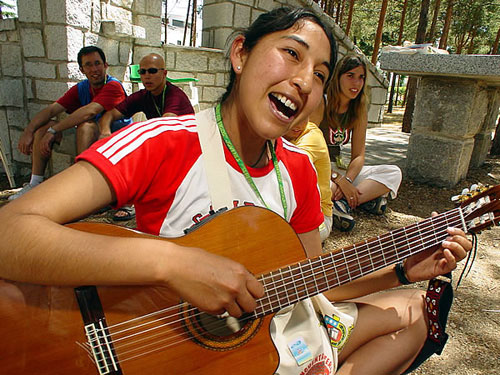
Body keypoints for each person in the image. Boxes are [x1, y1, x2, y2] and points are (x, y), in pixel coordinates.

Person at [0, 7, 471, 374]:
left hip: (264, 345)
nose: (306, 80)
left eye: (322, 74)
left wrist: (400, 272)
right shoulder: (164, 141)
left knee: (415, 307)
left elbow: (307, 281)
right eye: (292, 53)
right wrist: (172, 263)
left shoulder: (301, 172)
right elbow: (10, 232)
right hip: (154, 348)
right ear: (240, 54)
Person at [9, 46, 131, 201]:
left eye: (97, 63)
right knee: (43, 129)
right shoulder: (82, 88)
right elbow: (52, 110)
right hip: (89, 142)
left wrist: (54, 130)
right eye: (88, 65)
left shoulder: (113, 86)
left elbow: (90, 111)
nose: (94, 69)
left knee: (86, 125)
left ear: (105, 65)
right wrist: (29, 131)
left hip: (113, 141)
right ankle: (35, 183)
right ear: (82, 70)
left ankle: (84, 188)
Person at [98, 52, 194, 221]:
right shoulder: (143, 96)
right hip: (166, 145)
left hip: (186, 151)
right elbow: (109, 115)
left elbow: (166, 125)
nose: (146, 76)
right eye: (142, 72)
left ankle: (129, 202)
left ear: (164, 73)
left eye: (152, 71)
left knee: (139, 147)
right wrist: (104, 132)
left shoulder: (174, 95)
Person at [321, 54, 403, 232]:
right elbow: (308, 153)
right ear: (338, 77)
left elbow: (358, 155)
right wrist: (338, 179)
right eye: (350, 76)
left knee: (392, 173)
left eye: (361, 77)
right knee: (324, 187)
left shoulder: (358, 109)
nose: (356, 83)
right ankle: (364, 200)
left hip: (341, 170)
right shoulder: (321, 103)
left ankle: (343, 203)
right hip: (319, 168)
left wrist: (348, 180)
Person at [283, 117, 332, 242]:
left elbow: (288, 168)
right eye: (293, 118)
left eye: (304, 118)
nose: (299, 125)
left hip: (318, 219)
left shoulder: (312, 136)